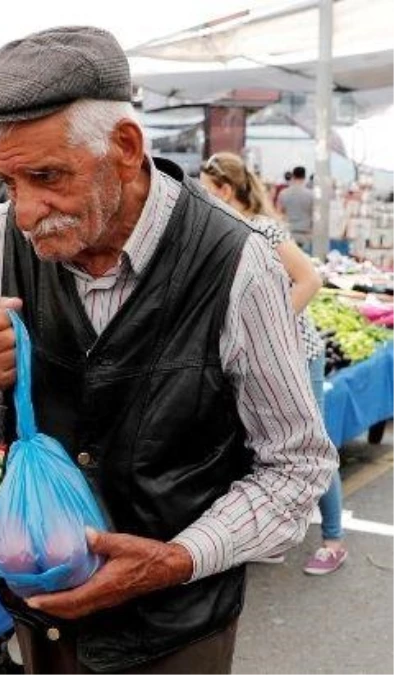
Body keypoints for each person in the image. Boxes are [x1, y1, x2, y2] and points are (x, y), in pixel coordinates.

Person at [0, 26, 337, 673]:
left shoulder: (235, 263)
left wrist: (176, 559)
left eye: (46, 176)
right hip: (42, 619)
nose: (23, 211)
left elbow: (297, 465)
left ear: (125, 148)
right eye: (7, 182)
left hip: (176, 634)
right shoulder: (1, 244)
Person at [200, 153, 347, 575]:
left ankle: (334, 539)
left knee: (308, 445)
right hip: (260, 360)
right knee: (264, 444)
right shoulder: (224, 233)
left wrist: (270, 330)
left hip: (300, 355)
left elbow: (311, 280)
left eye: (209, 193)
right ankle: (276, 535)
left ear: (226, 191)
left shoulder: (261, 229)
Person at [278, 166, 314, 251]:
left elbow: (279, 213)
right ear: (304, 177)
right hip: (305, 234)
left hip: (288, 233)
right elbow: (314, 215)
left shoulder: (283, 193)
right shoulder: (311, 195)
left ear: (293, 176)